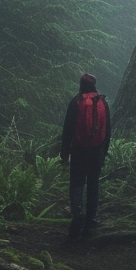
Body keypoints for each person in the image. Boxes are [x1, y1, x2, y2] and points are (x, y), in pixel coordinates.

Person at [60, 72, 110, 240]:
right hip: (96, 152)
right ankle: (90, 220)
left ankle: (77, 213)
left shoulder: (76, 102)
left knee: (77, 183)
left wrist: (64, 152)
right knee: (93, 185)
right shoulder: (102, 102)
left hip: (79, 151)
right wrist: (104, 152)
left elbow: (68, 129)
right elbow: (108, 131)